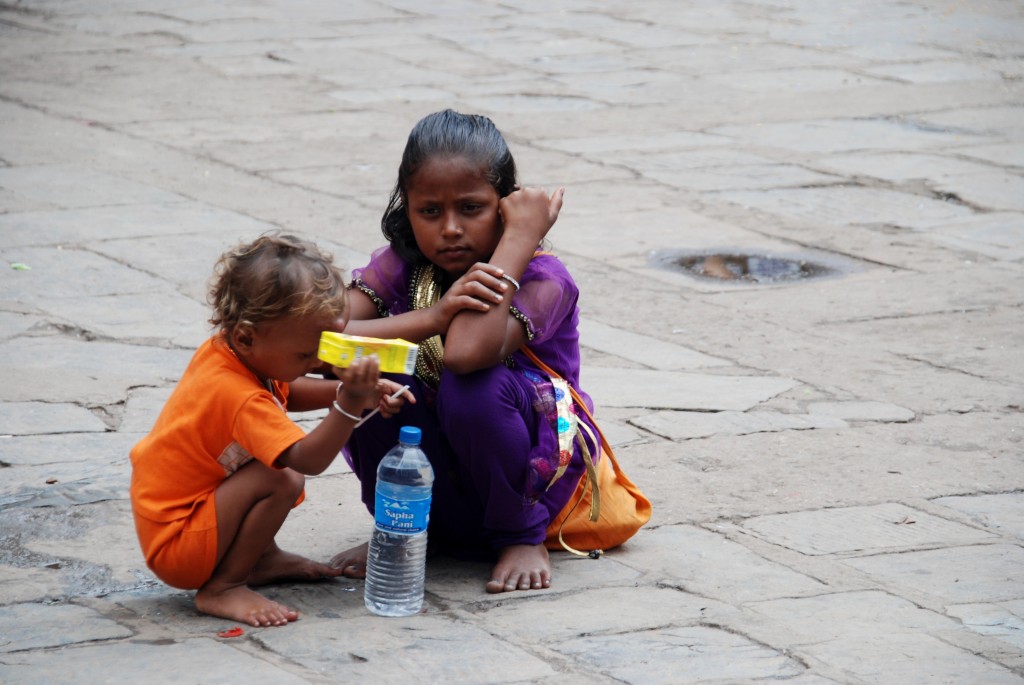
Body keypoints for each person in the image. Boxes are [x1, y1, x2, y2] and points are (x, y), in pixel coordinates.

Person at [330, 109, 601, 594]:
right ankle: (406, 526)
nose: (450, 229)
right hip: (444, 481)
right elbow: (326, 338)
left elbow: (466, 354)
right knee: (373, 373)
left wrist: (519, 239)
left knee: (474, 385)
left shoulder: (543, 279)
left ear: (505, 206)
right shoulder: (405, 264)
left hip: (532, 485)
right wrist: (429, 319)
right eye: (429, 212)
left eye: (471, 208)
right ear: (407, 210)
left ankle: (519, 536)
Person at [129, 233, 411, 627]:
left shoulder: (233, 353)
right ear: (247, 335)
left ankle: (261, 559)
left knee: (269, 471)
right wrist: (348, 405)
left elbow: (287, 390)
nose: (317, 362)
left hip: (190, 522)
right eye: (304, 354)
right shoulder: (235, 393)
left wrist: (352, 392)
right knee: (280, 477)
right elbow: (307, 460)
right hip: (179, 544)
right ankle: (223, 587)